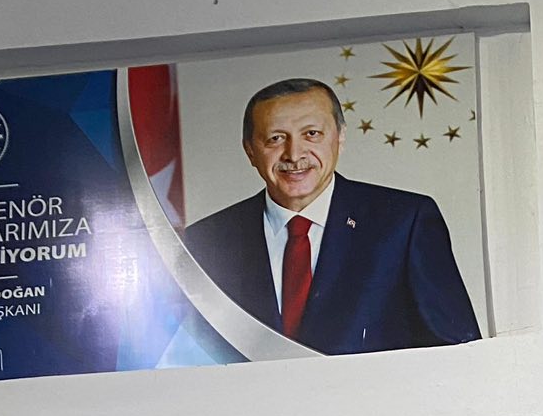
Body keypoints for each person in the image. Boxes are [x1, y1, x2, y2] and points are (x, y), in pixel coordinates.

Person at [184, 78, 481, 355]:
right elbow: (187, 356)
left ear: (339, 138)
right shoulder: (205, 241)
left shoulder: (404, 222)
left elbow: (457, 355)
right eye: (275, 138)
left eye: (311, 134)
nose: (294, 154)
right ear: (250, 150)